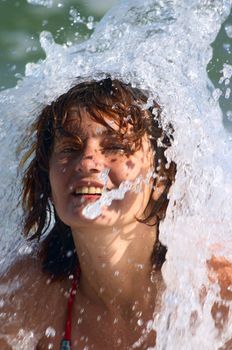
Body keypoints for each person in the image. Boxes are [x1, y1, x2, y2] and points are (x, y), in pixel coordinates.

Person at [0, 78, 231, 350]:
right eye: (70, 148)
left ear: (161, 178)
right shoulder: (27, 295)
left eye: (115, 147)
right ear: (48, 182)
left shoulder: (216, 296)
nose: (87, 161)